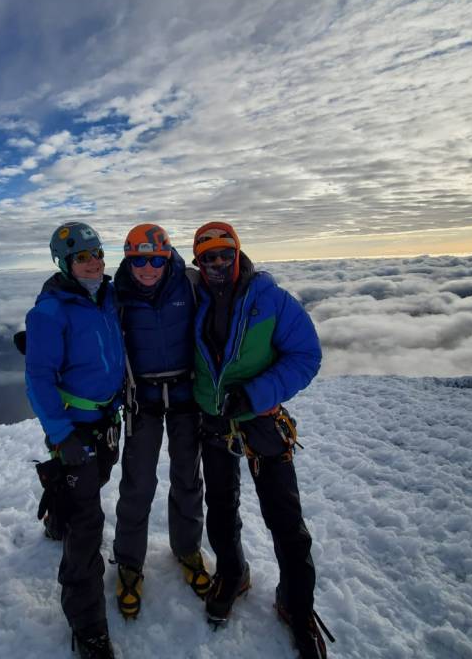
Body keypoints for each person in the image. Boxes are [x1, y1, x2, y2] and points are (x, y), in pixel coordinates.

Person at [190, 221, 332, 659]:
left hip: (260, 419)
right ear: (197, 261)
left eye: (225, 254)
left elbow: (306, 355)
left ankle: (297, 604)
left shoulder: (270, 299)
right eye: (208, 257)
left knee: (285, 518)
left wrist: (255, 395)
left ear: (238, 254)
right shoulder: (190, 297)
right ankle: (233, 573)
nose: (217, 263)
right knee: (221, 506)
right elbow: (140, 304)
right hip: (214, 419)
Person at [24, 221, 125, 659]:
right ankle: (88, 627)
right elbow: (38, 378)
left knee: (95, 479)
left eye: (97, 253)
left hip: (107, 419)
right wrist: (61, 434)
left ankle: (56, 516)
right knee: (87, 525)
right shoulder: (50, 312)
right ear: (64, 263)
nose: (94, 262)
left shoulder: (109, 297)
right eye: (82, 257)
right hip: (73, 425)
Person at [110, 224, 210, 620]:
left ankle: (187, 550)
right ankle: (129, 564)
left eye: (155, 259)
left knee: (188, 477)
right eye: (139, 261)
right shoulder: (116, 293)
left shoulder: (191, 284)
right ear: (128, 261)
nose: (148, 268)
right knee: (137, 483)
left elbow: (228, 307)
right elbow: (83, 323)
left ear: (168, 257)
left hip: (186, 395)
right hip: (143, 399)